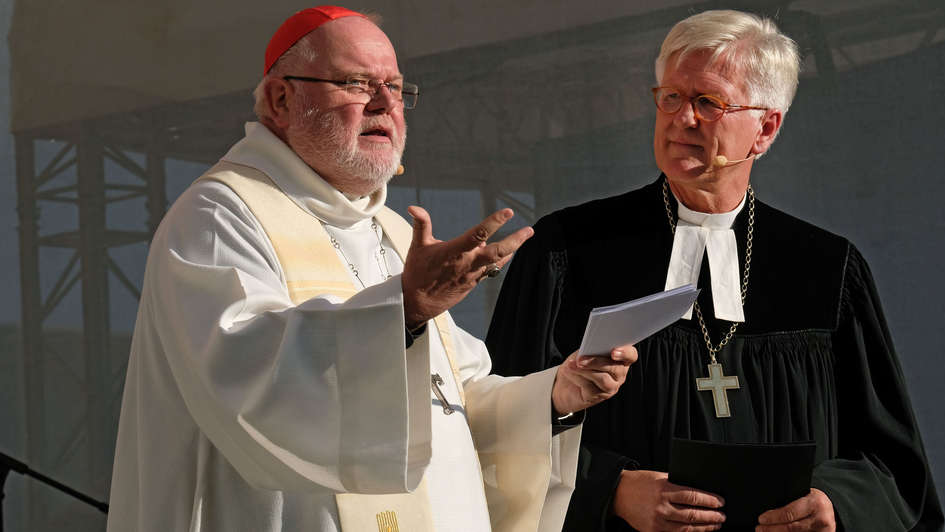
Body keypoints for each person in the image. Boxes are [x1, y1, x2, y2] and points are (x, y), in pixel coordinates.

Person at [105, 6, 635, 532]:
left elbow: (453, 403)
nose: (385, 104)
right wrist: (404, 310)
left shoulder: (394, 231)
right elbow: (249, 384)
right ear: (281, 99)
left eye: (396, 87)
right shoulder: (221, 216)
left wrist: (555, 394)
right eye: (357, 84)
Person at [487, 9, 943, 532]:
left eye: (708, 102)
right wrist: (606, 489)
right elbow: (500, 420)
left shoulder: (827, 268)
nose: (682, 119)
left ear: (765, 128)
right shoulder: (568, 251)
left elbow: (892, 464)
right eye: (671, 98)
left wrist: (835, 504)